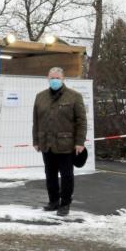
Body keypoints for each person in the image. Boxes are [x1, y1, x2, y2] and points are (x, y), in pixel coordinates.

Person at [32, 67, 87, 216]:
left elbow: (81, 121)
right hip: (46, 144)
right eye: (52, 78)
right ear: (48, 79)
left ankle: (65, 204)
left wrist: (80, 142)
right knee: (50, 174)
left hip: (66, 145)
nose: (54, 80)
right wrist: (36, 140)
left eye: (57, 78)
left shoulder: (74, 96)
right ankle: (53, 201)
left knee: (66, 176)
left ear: (63, 79)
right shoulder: (40, 97)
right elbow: (36, 121)